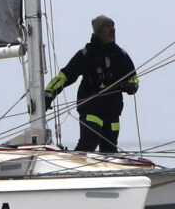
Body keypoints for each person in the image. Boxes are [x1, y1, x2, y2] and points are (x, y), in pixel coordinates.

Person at [44, 17, 140, 154]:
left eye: (113, 27)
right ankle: (74, 169)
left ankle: (109, 173)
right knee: (89, 142)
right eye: (108, 27)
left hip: (112, 110)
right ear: (98, 32)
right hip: (91, 108)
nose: (112, 30)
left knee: (110, 148)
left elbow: (134, 78)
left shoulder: (121, 55)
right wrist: (49, 93)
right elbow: (65, 76)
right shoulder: (86, 54)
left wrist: (132, 86)